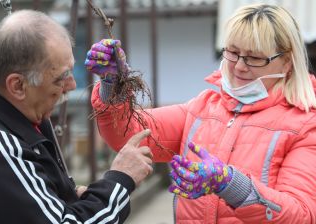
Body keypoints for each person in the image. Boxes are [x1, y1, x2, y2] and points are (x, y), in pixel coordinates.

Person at [85, 3, 316, 223]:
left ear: (287, 62)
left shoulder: (306, 125)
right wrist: (113, 85)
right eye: (233, 52)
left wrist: (231, 184)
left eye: (254, 58)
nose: (239, 66)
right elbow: (129, 135)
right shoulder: (202, 109)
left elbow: (302, 215)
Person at [0, 9, 154, 224]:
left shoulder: (12, 113)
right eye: (61, 78)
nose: (72, 85)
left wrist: (69, 194)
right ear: (18, 85)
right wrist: (120, 179)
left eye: (70, 71)